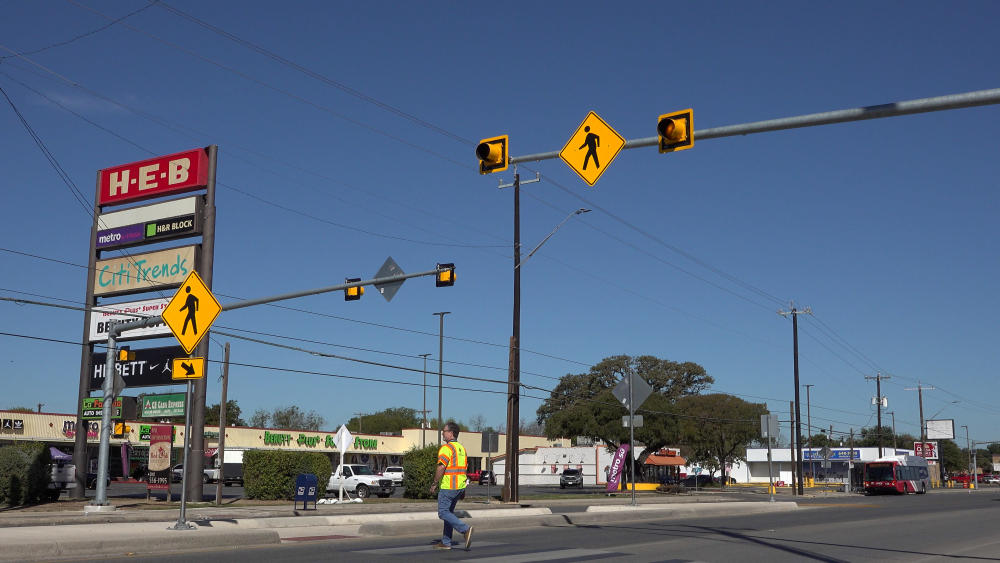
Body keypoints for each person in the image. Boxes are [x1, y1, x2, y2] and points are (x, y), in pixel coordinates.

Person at [429, 421, 473, 550]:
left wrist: (434, 483)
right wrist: (463, 489)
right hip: (459, 487)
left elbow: (441, 467)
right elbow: (464, 470)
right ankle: (446, 542)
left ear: (451, 433)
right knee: (449, 513)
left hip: (448, 487)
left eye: (444, 431)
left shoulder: (446, 448)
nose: (443, 433)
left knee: (443, 513)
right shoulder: (461, 449)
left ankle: (465, 530)